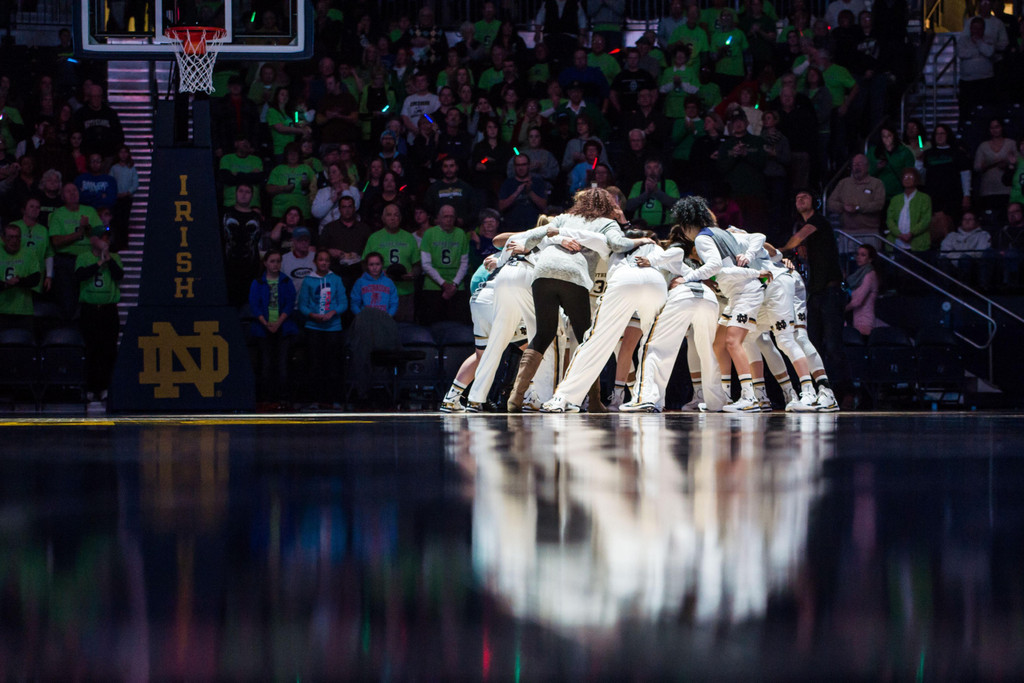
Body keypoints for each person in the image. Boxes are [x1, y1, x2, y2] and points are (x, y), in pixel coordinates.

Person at [502, 188, 651, 412]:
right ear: (607, 206)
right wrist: (641, 240)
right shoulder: (606, 223)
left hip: (543, 273)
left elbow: (538, 231)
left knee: (543, 335)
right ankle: (594, 400)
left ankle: (516, 396)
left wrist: (527, 247)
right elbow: (619, 245)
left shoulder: (564, 217)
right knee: (587, 339)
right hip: (573, 276)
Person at [541, 227, 666, 413]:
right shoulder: (656, 248)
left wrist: (556, 229)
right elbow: (677, 265)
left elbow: (583, 234)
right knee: (654, 343)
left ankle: (563, 398)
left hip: (624, 281)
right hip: (656, 282)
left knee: (595, 342)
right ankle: (649, 399)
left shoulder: (612, 244)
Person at [780, 189, 849, 406]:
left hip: (830, 291)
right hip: (816, 292)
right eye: (797, 197)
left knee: (833, 346)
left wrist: (775, 251)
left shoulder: (818, 221)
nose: (800, 199)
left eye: (805, 197)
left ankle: (844, 393)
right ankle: (819, 390)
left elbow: (796, 240)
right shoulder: (805, 229)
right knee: (814, 343)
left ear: (815, 202)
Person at [74, 223, 122, 402]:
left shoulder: (115, 257)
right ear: (93, 240)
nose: (105, 240)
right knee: (92, 349)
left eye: (107, 237)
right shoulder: (84, 257)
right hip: (90, 310)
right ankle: (91, 387)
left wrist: (108, 259)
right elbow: (80, 276)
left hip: (108, 310)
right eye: (102, 237)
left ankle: (106, 386)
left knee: (108, 349)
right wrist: (99, 262)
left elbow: (119, 276)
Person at [298, 248, 347, 408]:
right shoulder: (308, 280)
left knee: (333, 364)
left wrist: (333, 312)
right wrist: (312, 315)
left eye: (326, 260)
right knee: (315, 364)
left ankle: (334, 400)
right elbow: (303, 305)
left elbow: (343, 303)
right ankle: (315, 400)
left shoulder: (336, 279)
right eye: (321, 260)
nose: (324, 263)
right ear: (315, 262)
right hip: (313, 327)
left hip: (333, 328)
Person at [249, 249, 298, 407]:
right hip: (263, 329)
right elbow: (254, 305)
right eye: (272, 261)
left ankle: (283, 397)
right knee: (266, 363)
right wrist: (266, 323)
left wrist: (278, 322)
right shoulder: (258, 282)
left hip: (283, 328)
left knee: (283, 364)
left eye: (278, 261)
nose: (275, 264)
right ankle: (266, 398)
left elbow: (290, 303)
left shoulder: (286, 281)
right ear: (265, 263)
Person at [363, 203, 421, 321]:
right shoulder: (374, 238)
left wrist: (413, 274)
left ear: (400, 218)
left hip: (405, 292)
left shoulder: (409, 237)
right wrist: (378, 273)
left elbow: (417, 264)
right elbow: (364, 264)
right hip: (381, 292)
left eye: (396, 215)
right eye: (389, 215)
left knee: (405, 329)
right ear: (383, 218)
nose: (393, 218)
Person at [419, 204, 471, 325]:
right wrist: (443, 283)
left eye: (451, 217)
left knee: (457, 325)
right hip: (433, 286)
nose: (448, 220)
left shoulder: (461, 234)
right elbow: (425, 263)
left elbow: (464, 262)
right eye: (445, 216)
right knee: (433, 324)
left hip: (457, 285)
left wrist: (454, 284)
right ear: (439, 218)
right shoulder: (429, 234)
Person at [827, 153, 886, 251]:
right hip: (847, 233)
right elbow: (830, 203)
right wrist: (843, 207)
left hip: (870, 234)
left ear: (867, 166)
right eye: (854, 165)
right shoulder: (843, 183)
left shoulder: (877, 184)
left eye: (860, 164)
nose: (856, 167)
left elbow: (879, 204)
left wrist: (858, 208)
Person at [221, 183, 265, 307]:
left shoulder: (256, 217)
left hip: (250, 269)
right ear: (235, 193)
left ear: (252, 196)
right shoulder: (225, 214)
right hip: (228, 268)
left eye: (247, 192)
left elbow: (259, 243)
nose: (244, 195)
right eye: (241, 191)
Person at [0, 224, 41, 330]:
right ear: (3, 239)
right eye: (10, 237)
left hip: (24, 311)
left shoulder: (29, 253)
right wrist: (5, 284)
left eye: (17, 237)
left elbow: (36, 279)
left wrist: (18, 281)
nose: (14, 241)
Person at [973, 118, 1016, 215]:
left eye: (997, 127)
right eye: (992, 128)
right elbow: (976, 167)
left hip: (1006, 189)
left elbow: (1018, 163)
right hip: (987, 190)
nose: (995, 130)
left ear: (1002, 128)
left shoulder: (1011, 143)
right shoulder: (983, 146)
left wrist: (1007, 166)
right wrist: (992, 164)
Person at [940, 210, 994, 288]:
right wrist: (960, 257)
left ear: (976, 222)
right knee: (943, 259)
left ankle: (967, 288)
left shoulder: (983, 235)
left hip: (974, 268)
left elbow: (980, 253)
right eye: (965, 219)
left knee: (965, 259)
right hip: (953, 267)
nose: (967, 221)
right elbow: (944, 252)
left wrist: (960, 256)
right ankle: (947, 289)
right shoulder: (952, 236)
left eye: (970, 219)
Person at [498, 153, 550, 231]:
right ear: (514, 167)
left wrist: (530, 192)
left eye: (524, 165)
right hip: (512, 227)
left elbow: (544, 206)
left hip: (534, 227)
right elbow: (501, 207)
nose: (521, 168)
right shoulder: (507, 183)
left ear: (529, 165)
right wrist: (516, 192)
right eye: (518, 165)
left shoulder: (538, 182)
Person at [885, 167, 932, 253]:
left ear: (916, 180)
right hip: (897, 243)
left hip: (918, 245)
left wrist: (911, 233)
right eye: (905, 177)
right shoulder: (895, 199)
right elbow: (890, 219)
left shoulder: (924, 198)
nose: (907, 180)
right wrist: (899, 234)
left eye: (910, 177)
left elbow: (926, 219)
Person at [625, 159, 680, 231]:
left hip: (664, 228)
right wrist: (646, 194)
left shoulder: (670, 184)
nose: (652, 171)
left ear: (661, 170)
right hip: (641, 228)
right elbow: (629, 206)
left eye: (655, 167)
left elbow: (676, 205)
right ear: (645, 171)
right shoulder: (638, 185)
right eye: (649, 167)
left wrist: (656, 191)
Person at [867, 123, 917, 201]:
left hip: (899, 192)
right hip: (880, 194)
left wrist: (920, 148)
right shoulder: (874, 151)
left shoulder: (919, 138)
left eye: (913, 127)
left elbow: (921, 147)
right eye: (909, 128)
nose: (911, 130)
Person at [844, 243, 878, 339]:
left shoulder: (870, 275)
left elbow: (857, 301)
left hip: (865, 321)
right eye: (858, 254)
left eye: (863, 255)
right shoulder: (858, 275)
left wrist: (840, 310)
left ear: (870, 259)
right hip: (857, 320)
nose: (858, 257)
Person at [108, 145, 138, 252]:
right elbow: (110, 182)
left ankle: (124, 242)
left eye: (125, 152)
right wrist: (115, 193)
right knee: (115, 220)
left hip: (126, 199)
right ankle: (115, 242)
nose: (123, 154)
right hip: (116, 198)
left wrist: (128, 192)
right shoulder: (114, 168)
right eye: (121, 152)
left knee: (124, 221)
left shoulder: (131, 168)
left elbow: (135, 183)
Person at [281, 227, 316, 293]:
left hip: (313, 301)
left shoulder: (316, 257)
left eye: (306, 240)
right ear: (293, 241)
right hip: (292, 300)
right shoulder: (284, 260)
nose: (304, 243)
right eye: (300, 240)